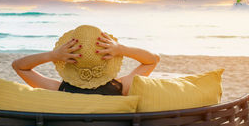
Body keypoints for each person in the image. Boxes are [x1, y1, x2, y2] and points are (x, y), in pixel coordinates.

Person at [12, 25, 160, 96]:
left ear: (68, 61)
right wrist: (121, 49)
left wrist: (53, 56)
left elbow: (19, 66)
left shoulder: (59, 90)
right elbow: (152, 60)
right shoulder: (121, 88)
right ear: (108, 61)